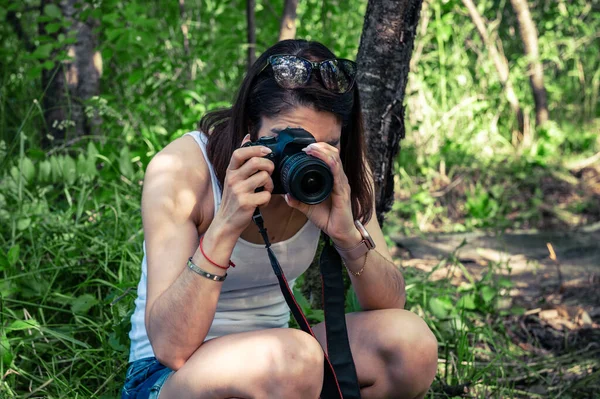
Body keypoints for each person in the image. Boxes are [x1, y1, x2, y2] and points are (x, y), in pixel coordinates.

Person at [122, 39, 438, 399]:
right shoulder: (183, 169)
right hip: (169, 377)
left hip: (280, 371)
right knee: (297, 359)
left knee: (412, 345)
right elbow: (170, 348)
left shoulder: (335, 171)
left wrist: (348, 237)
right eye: (287, 141)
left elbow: (389, 306)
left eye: (324, 145)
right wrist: (225, 224)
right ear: (249, 127)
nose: (306, 160)